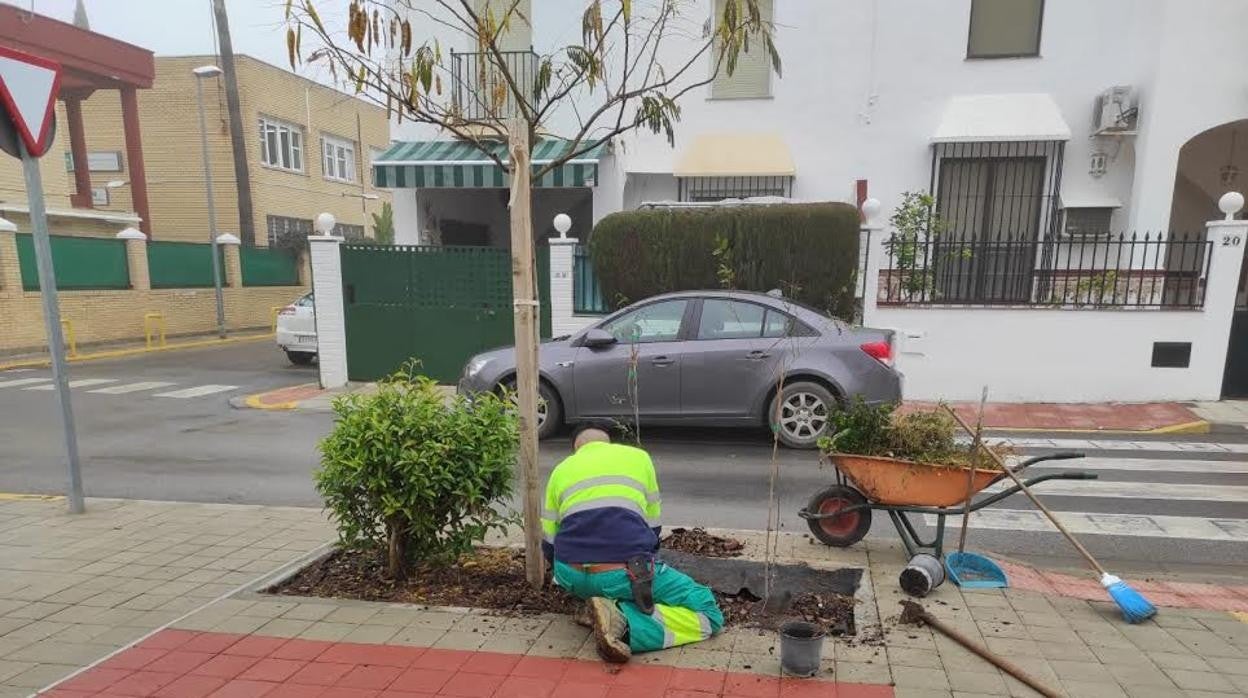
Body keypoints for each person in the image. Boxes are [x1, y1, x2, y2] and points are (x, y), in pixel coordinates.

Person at [541, 425, 724, 663]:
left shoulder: (560, 470)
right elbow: (653, 527)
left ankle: (594, 604)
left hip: (571, 576)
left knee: (603, 580)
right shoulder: (639, 458)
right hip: (623, 574)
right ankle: (625, 625)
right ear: (610, 442)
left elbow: (549, 541)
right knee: (709, 614)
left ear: (576, 448)